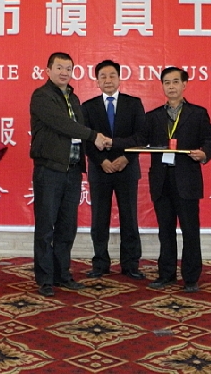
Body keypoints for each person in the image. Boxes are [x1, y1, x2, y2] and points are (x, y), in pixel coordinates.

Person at [30, 52, 111, 297]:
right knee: (46, 227)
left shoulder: (73, 98)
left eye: (68, 68)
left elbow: (78, 129)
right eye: (59, 67)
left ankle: (62, 274)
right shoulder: (41, 96)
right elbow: (62, 124)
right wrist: (93, 136)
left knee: (67, 227)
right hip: (49, 170)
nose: (64, 72)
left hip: (73, 170)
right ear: (48, 70)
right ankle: (45, 279)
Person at [143, 67, 211, 293]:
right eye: (167, 82)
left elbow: (209, 142)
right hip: (161, 180)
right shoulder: (153, 116)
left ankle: (191, 277)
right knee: (165, 230)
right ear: (162, 86)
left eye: (175, 82)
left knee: (190, 230)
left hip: (187, 180)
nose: (171, 86)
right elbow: (140, 140)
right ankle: (166, 274)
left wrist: (204, 154)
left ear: (185, 85)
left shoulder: (198, 113)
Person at [82, 60, 146, 280]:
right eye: (103, 76)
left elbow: (141, 137)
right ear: (97, 81)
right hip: (100, 170)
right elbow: (86, 140)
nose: (108, 80)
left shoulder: (133, 104)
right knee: (99, 219)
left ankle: (131, 265)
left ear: (119, 79)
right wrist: (102, 161)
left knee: (129, 218)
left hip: (127, 169)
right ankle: (100, 263)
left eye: (112, 76)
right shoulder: (88, 107)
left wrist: (126, 158)